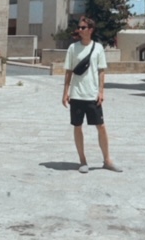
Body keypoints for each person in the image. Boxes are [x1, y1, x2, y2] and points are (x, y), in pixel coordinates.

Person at [62, 16, 122, 174]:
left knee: (101, 127)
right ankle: (82, 161)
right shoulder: (73, 48)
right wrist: (65, 92)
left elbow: (101, 71)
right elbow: (68, 71)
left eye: (83, 27)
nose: (80, 30)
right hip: (76, 94)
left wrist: (101, 91)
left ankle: (107, 160)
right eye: (79, 27)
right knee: (77, 126)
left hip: (92, 94)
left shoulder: (98, 48)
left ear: (90, 30)